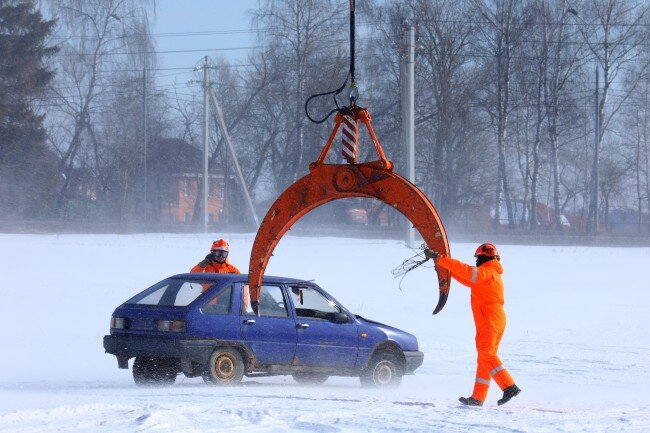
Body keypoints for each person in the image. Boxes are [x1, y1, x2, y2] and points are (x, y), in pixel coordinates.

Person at [425, 243, 521, 407]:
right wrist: (444, 266)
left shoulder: (487, 272)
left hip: (490, 319)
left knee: (486, 354)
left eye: (477, 258)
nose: (476, 261)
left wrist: (440, 258)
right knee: (484, 357)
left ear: (484, 257)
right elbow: (466, 277)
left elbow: (467, 272)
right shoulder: (490, 274)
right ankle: (478, 398)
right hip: (493, 319)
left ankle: (509, 386)